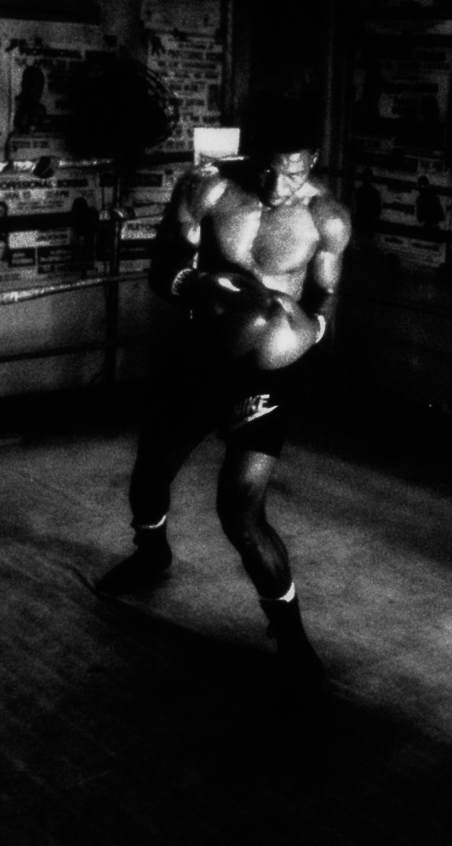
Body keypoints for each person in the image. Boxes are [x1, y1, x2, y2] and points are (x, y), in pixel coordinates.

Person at [94, 97, 352, 684]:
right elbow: (163, 270)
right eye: (267, 167)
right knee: (151, 472)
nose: (279, 183)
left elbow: (320, 298)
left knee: (241, 512)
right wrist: (202, 285)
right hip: (198, 358)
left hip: (267, 375)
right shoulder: (205, 189)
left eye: (294, 169)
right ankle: (151, 552)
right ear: (250, 153)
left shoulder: (327, 218)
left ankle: (288, 633)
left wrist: (308, 332)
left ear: (313, 159)